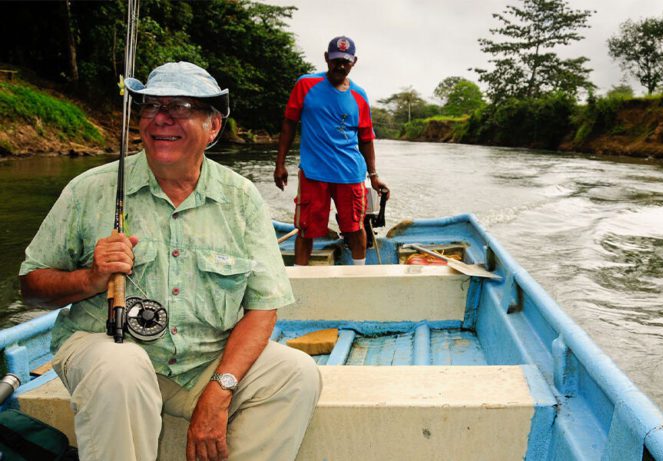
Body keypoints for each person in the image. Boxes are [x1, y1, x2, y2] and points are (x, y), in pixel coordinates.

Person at [19, 61, 321, 461]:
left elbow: (263, 308)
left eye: (180, 106)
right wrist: (91, 278)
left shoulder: (241, 198)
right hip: (106, 351)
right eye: (151, 107)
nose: (162, 119)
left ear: (213, 127)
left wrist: (219, 390)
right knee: (121, 365)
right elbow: (31, 288)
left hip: (204, 361)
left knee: (295, 374)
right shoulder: (89, 189)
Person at [274, 36, 389, 266]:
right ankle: (302, 281)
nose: (340, 65)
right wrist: (280, 164)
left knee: (355, 228)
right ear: (327, 58)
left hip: (350, 174)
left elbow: (366, 139)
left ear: (353, 62)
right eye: (336, 60)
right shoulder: (306, 85)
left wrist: (374, 177)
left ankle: (359, 278)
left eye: (346, 61)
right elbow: (289, 123)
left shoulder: (359, 96)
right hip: (313, 174)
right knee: (305, 230)